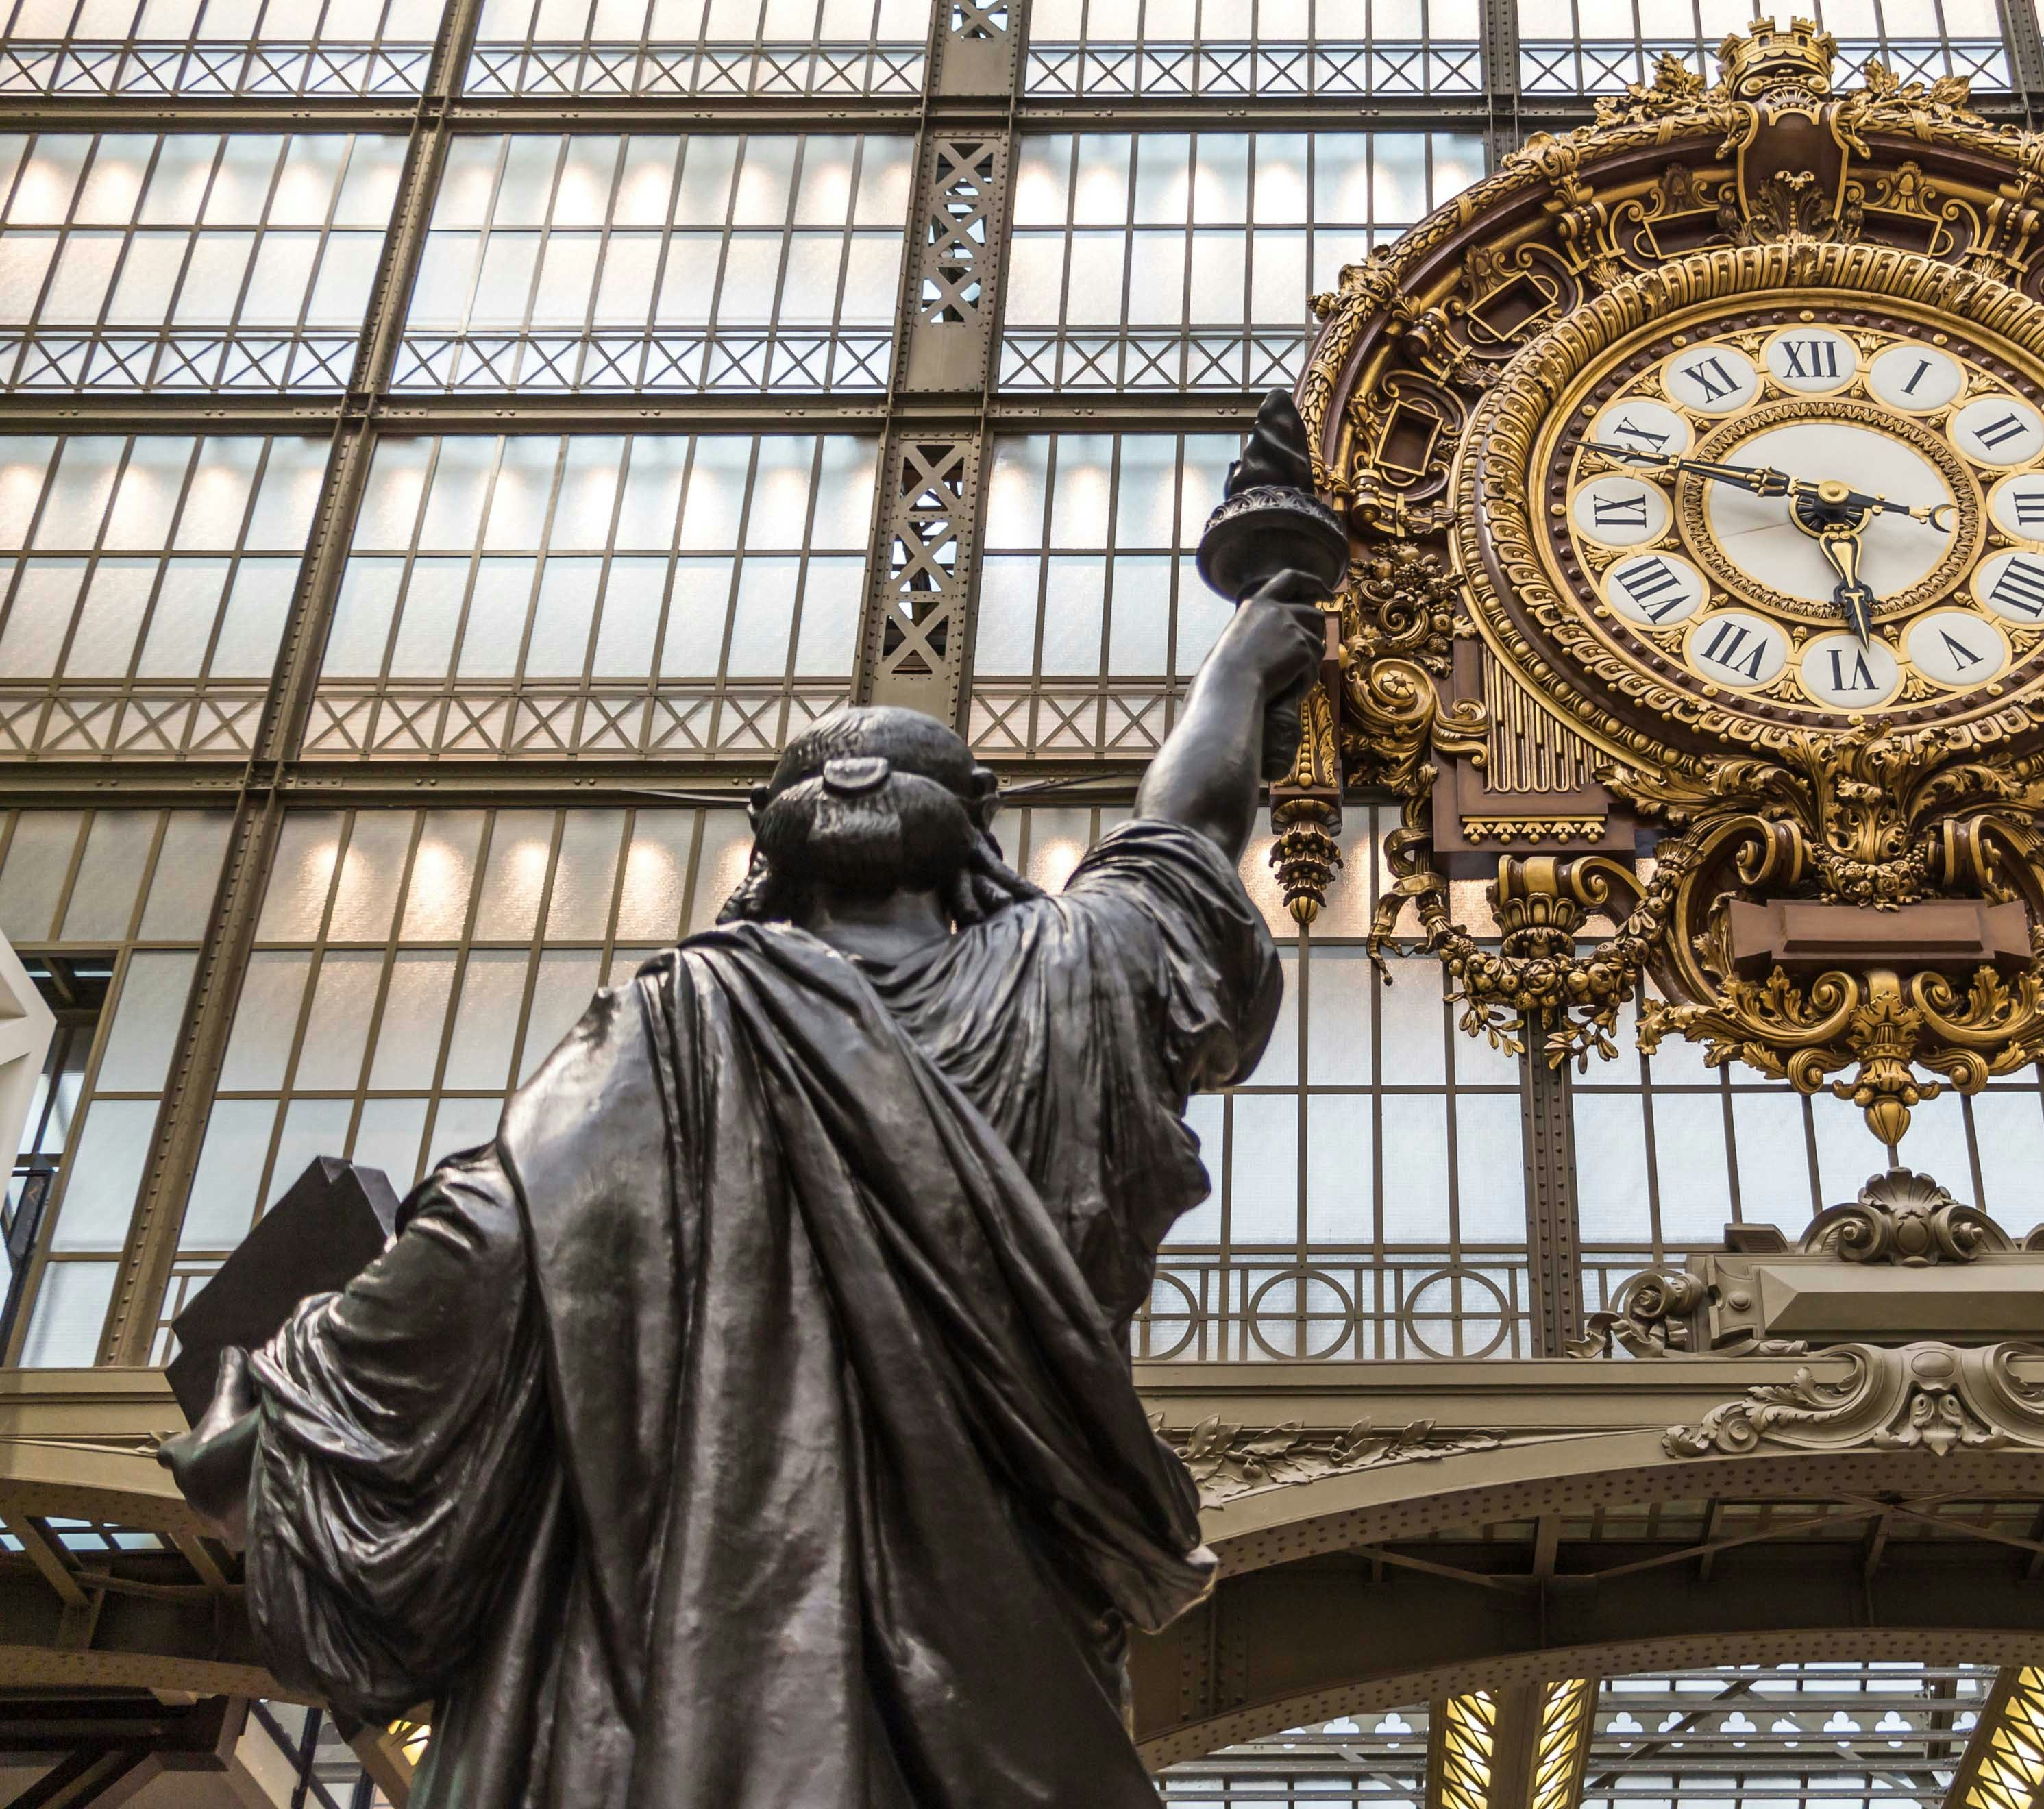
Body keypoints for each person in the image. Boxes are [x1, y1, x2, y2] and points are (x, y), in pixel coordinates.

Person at [158, 567, 1329, 1808]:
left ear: (765, 844)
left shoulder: (666, 1035)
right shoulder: (1080, 980)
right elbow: (1184, 834)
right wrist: (1239, 674)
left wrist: (286, 1391)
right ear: (977, 830)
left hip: (674, 1701)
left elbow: (473, 1256)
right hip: (1005, 1679)